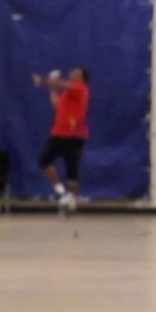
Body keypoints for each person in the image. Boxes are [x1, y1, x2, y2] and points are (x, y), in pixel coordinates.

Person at [31, 67, 90, 212]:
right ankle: (61, 192)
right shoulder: (68, 94)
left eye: (75, 72)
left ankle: (73, 200)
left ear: (82, 77)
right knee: (44, 159)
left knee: (72, 169)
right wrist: (51, 88)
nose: (71, 73)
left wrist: (45, 80)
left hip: (75, 134)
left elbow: (63, 84)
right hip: (58, 133)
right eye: (72, 71)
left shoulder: (81, 88)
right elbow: (56, 104)